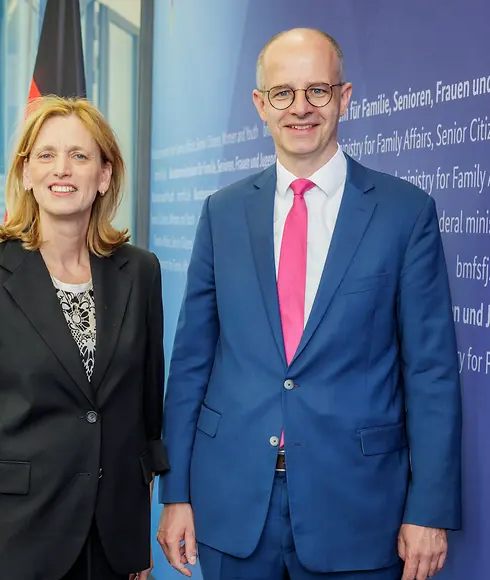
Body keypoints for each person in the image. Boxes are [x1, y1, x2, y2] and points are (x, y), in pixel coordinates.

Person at [157, 28, 461, 580]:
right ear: (260, 105)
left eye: (317, 91)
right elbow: (191, 365)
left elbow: (431, 372)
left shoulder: (405, 214)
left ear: (344, 98)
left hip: (358, 511)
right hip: (232, 507)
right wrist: (175, 492)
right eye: (283, 93)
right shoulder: (221, 214)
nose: (300, 108)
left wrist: (431, 510)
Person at [0, 95, 169, 580]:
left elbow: (145, 419)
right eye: (46, 155)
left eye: (80, 156)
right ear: (25, 174)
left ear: (104, 176)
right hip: (15, 536)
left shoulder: (140, 272)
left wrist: (135, 535)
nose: (62, 169)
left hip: (111, 541)